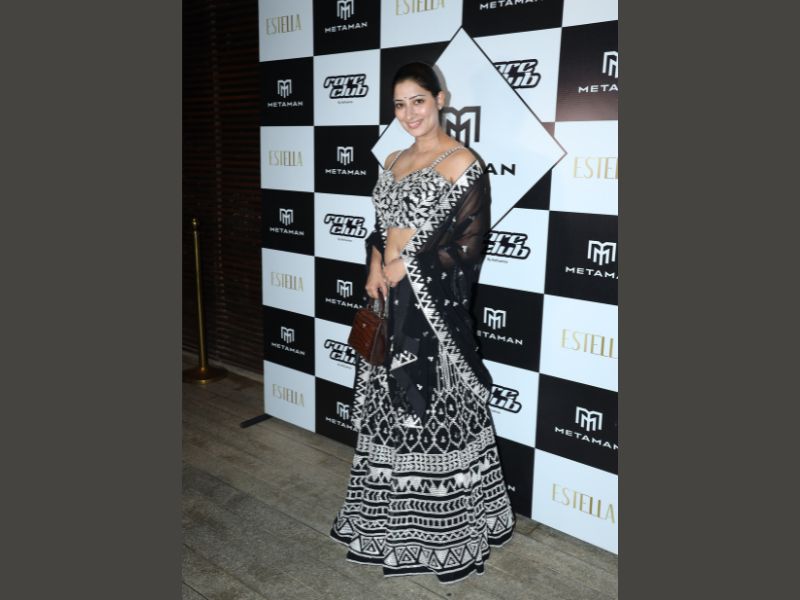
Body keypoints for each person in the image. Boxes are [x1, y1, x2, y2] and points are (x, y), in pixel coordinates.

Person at [329, 62, 515, 584]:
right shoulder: (392, 159)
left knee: (433, 413)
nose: (409, 113)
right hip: (387, 304)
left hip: (431, 315)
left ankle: (445, 535)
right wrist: (374, 265)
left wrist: (406, 266)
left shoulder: (462, 163)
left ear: (440, 99)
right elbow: (380, 229)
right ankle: (386, 525)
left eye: (418, 101)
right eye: (399, 104)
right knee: (387, 412)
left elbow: (470, 248)